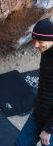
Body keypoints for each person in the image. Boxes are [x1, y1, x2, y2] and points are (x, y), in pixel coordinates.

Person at [15, 18, 53, 146]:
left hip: (51, 123)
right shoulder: (46, 50)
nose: (36, 45)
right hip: (39, 112)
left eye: (40, 41)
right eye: (34, 40)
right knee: (20, 143)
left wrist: (48, 129)